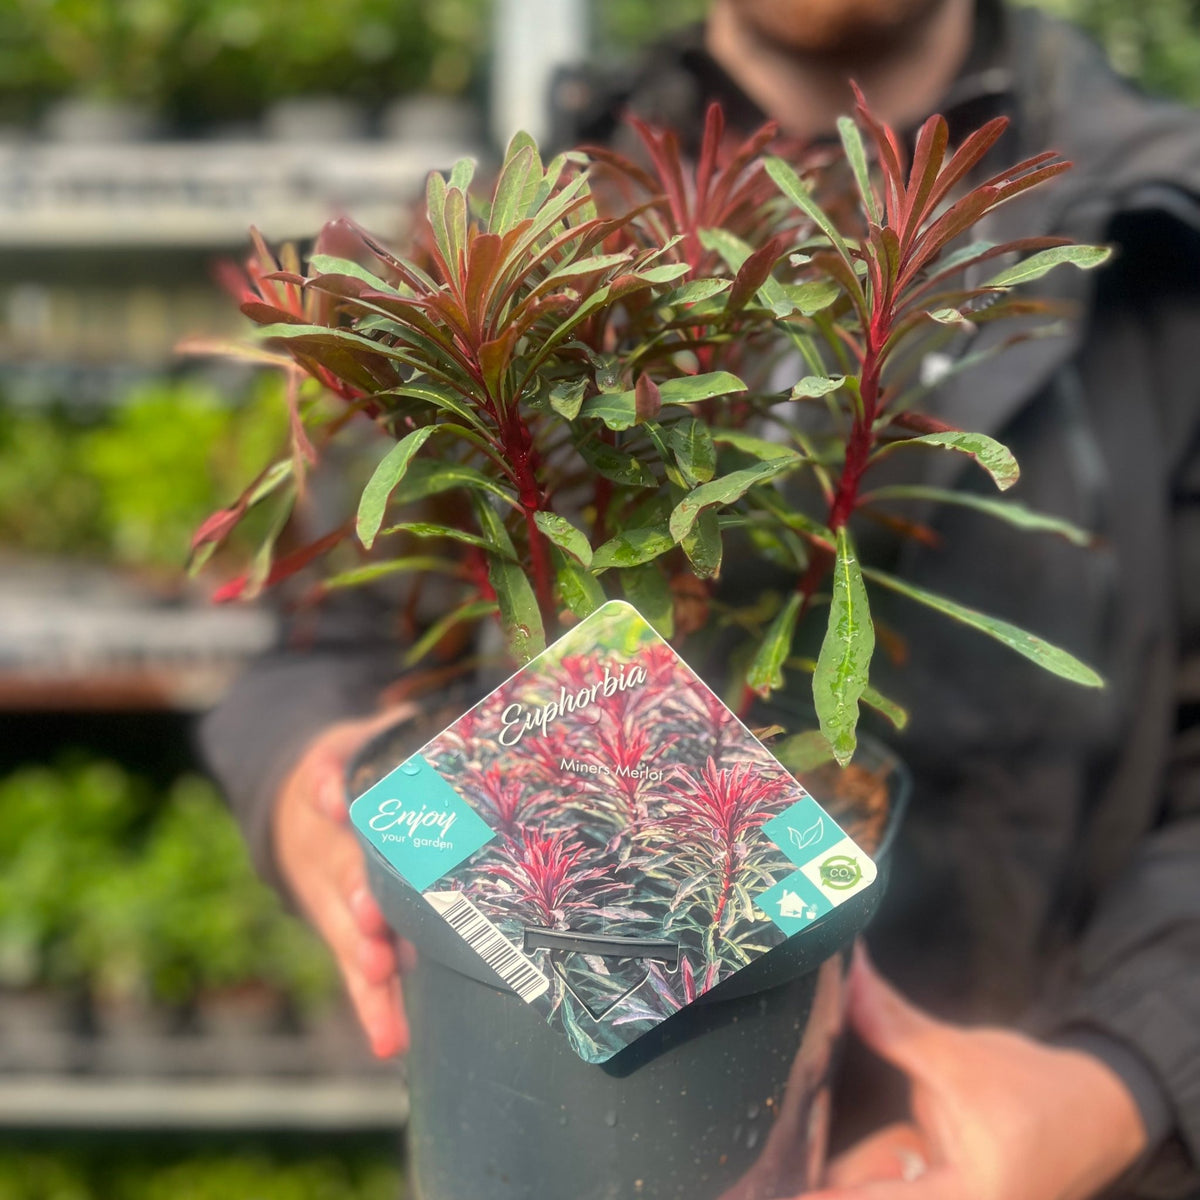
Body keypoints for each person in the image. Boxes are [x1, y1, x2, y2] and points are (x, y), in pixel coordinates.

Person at [200, 1, 1200, 1196]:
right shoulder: (531, 224)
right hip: (563, 1132)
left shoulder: (1161, 226)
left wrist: (1123, 1076)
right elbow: (321, 646)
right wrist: (319, 771)